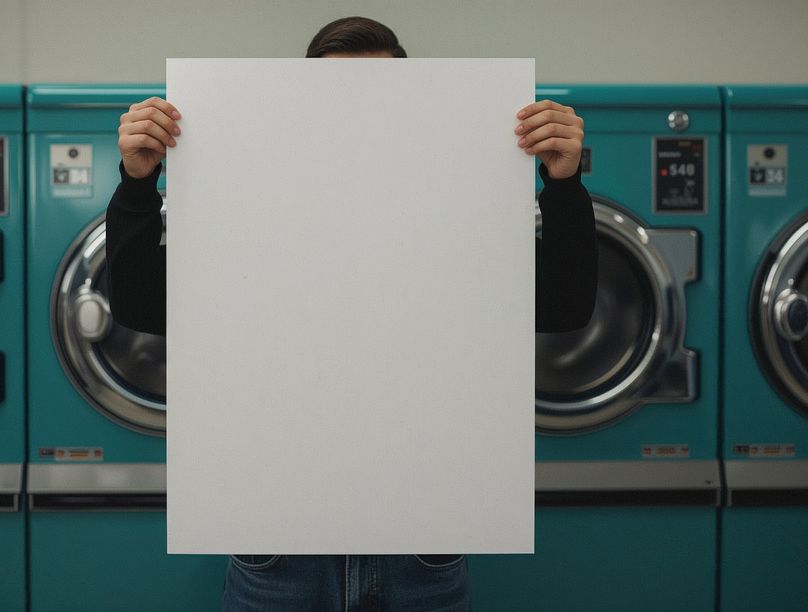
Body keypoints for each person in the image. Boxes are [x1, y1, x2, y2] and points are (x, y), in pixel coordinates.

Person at [106, 16, 597, 612]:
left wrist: (563, 186)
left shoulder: (457, 215)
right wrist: (138, 182)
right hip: (276, 541)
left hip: (422, 540)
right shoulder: (249, 212)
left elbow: (565, 307)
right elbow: (139, 304)